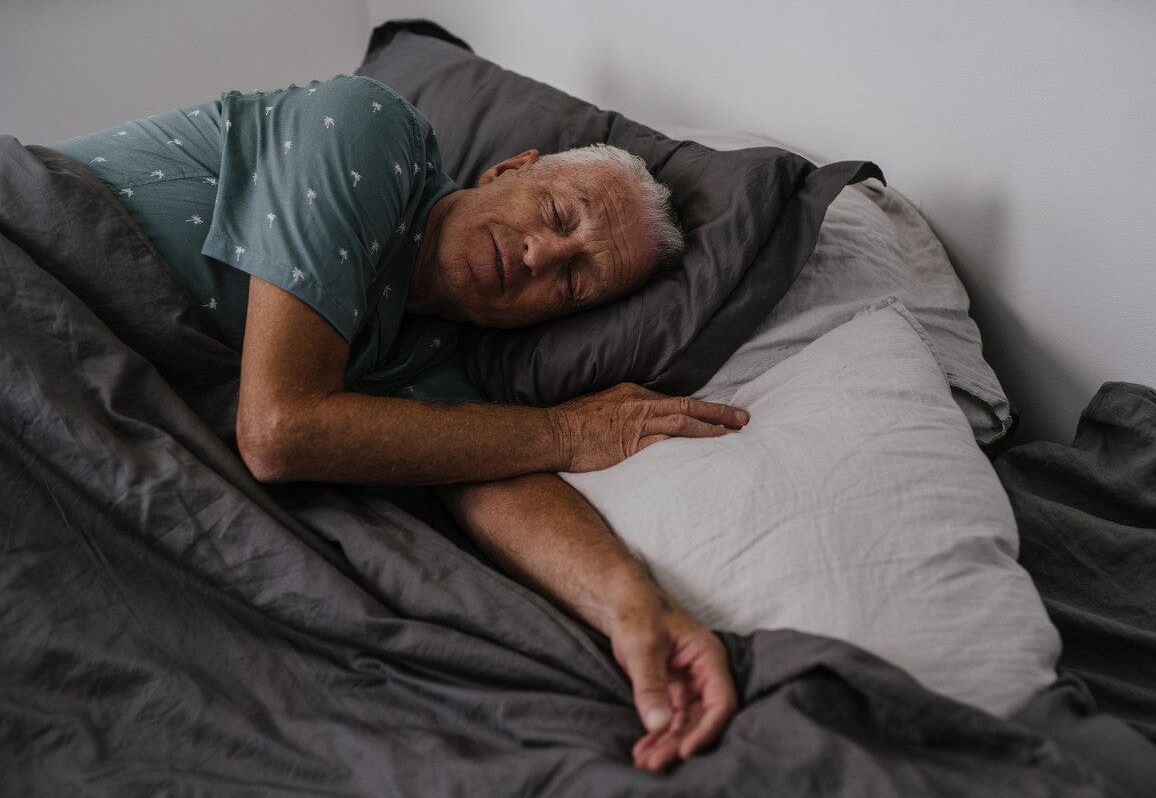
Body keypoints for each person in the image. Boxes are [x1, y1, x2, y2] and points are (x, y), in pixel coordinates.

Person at [53, 73, 749, 771]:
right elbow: (279, 430)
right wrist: (565, 432)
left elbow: (492, 475)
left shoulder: (427, 359)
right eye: (559, 215)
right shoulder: (369, 128)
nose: (540, 255)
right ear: (510, 170)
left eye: (573, 283)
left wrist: (635, 608)